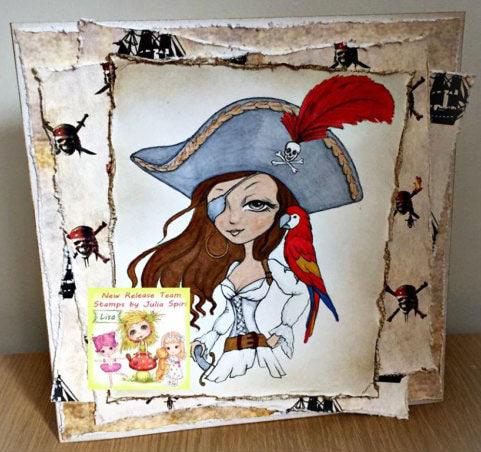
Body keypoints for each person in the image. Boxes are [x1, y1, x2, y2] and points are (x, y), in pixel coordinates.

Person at [127, 75, 394, 382]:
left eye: (256, 204)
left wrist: (285, 326)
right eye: (219, 202)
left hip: (261, 352)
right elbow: (224, 317)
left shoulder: (274, 268)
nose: (232, 218)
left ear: (282, 212)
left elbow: (299, 295)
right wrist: (206, 339)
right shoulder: (224, 266)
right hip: (229, 351)